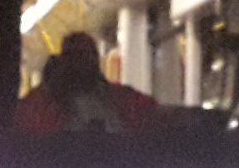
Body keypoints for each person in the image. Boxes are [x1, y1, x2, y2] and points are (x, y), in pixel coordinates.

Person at [15, 31, 158, 133]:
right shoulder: (44, 103)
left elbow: (153, 114)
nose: (82, 62)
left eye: (87, 55)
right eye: (75, 55)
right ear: (63, 61)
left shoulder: (119, 97)